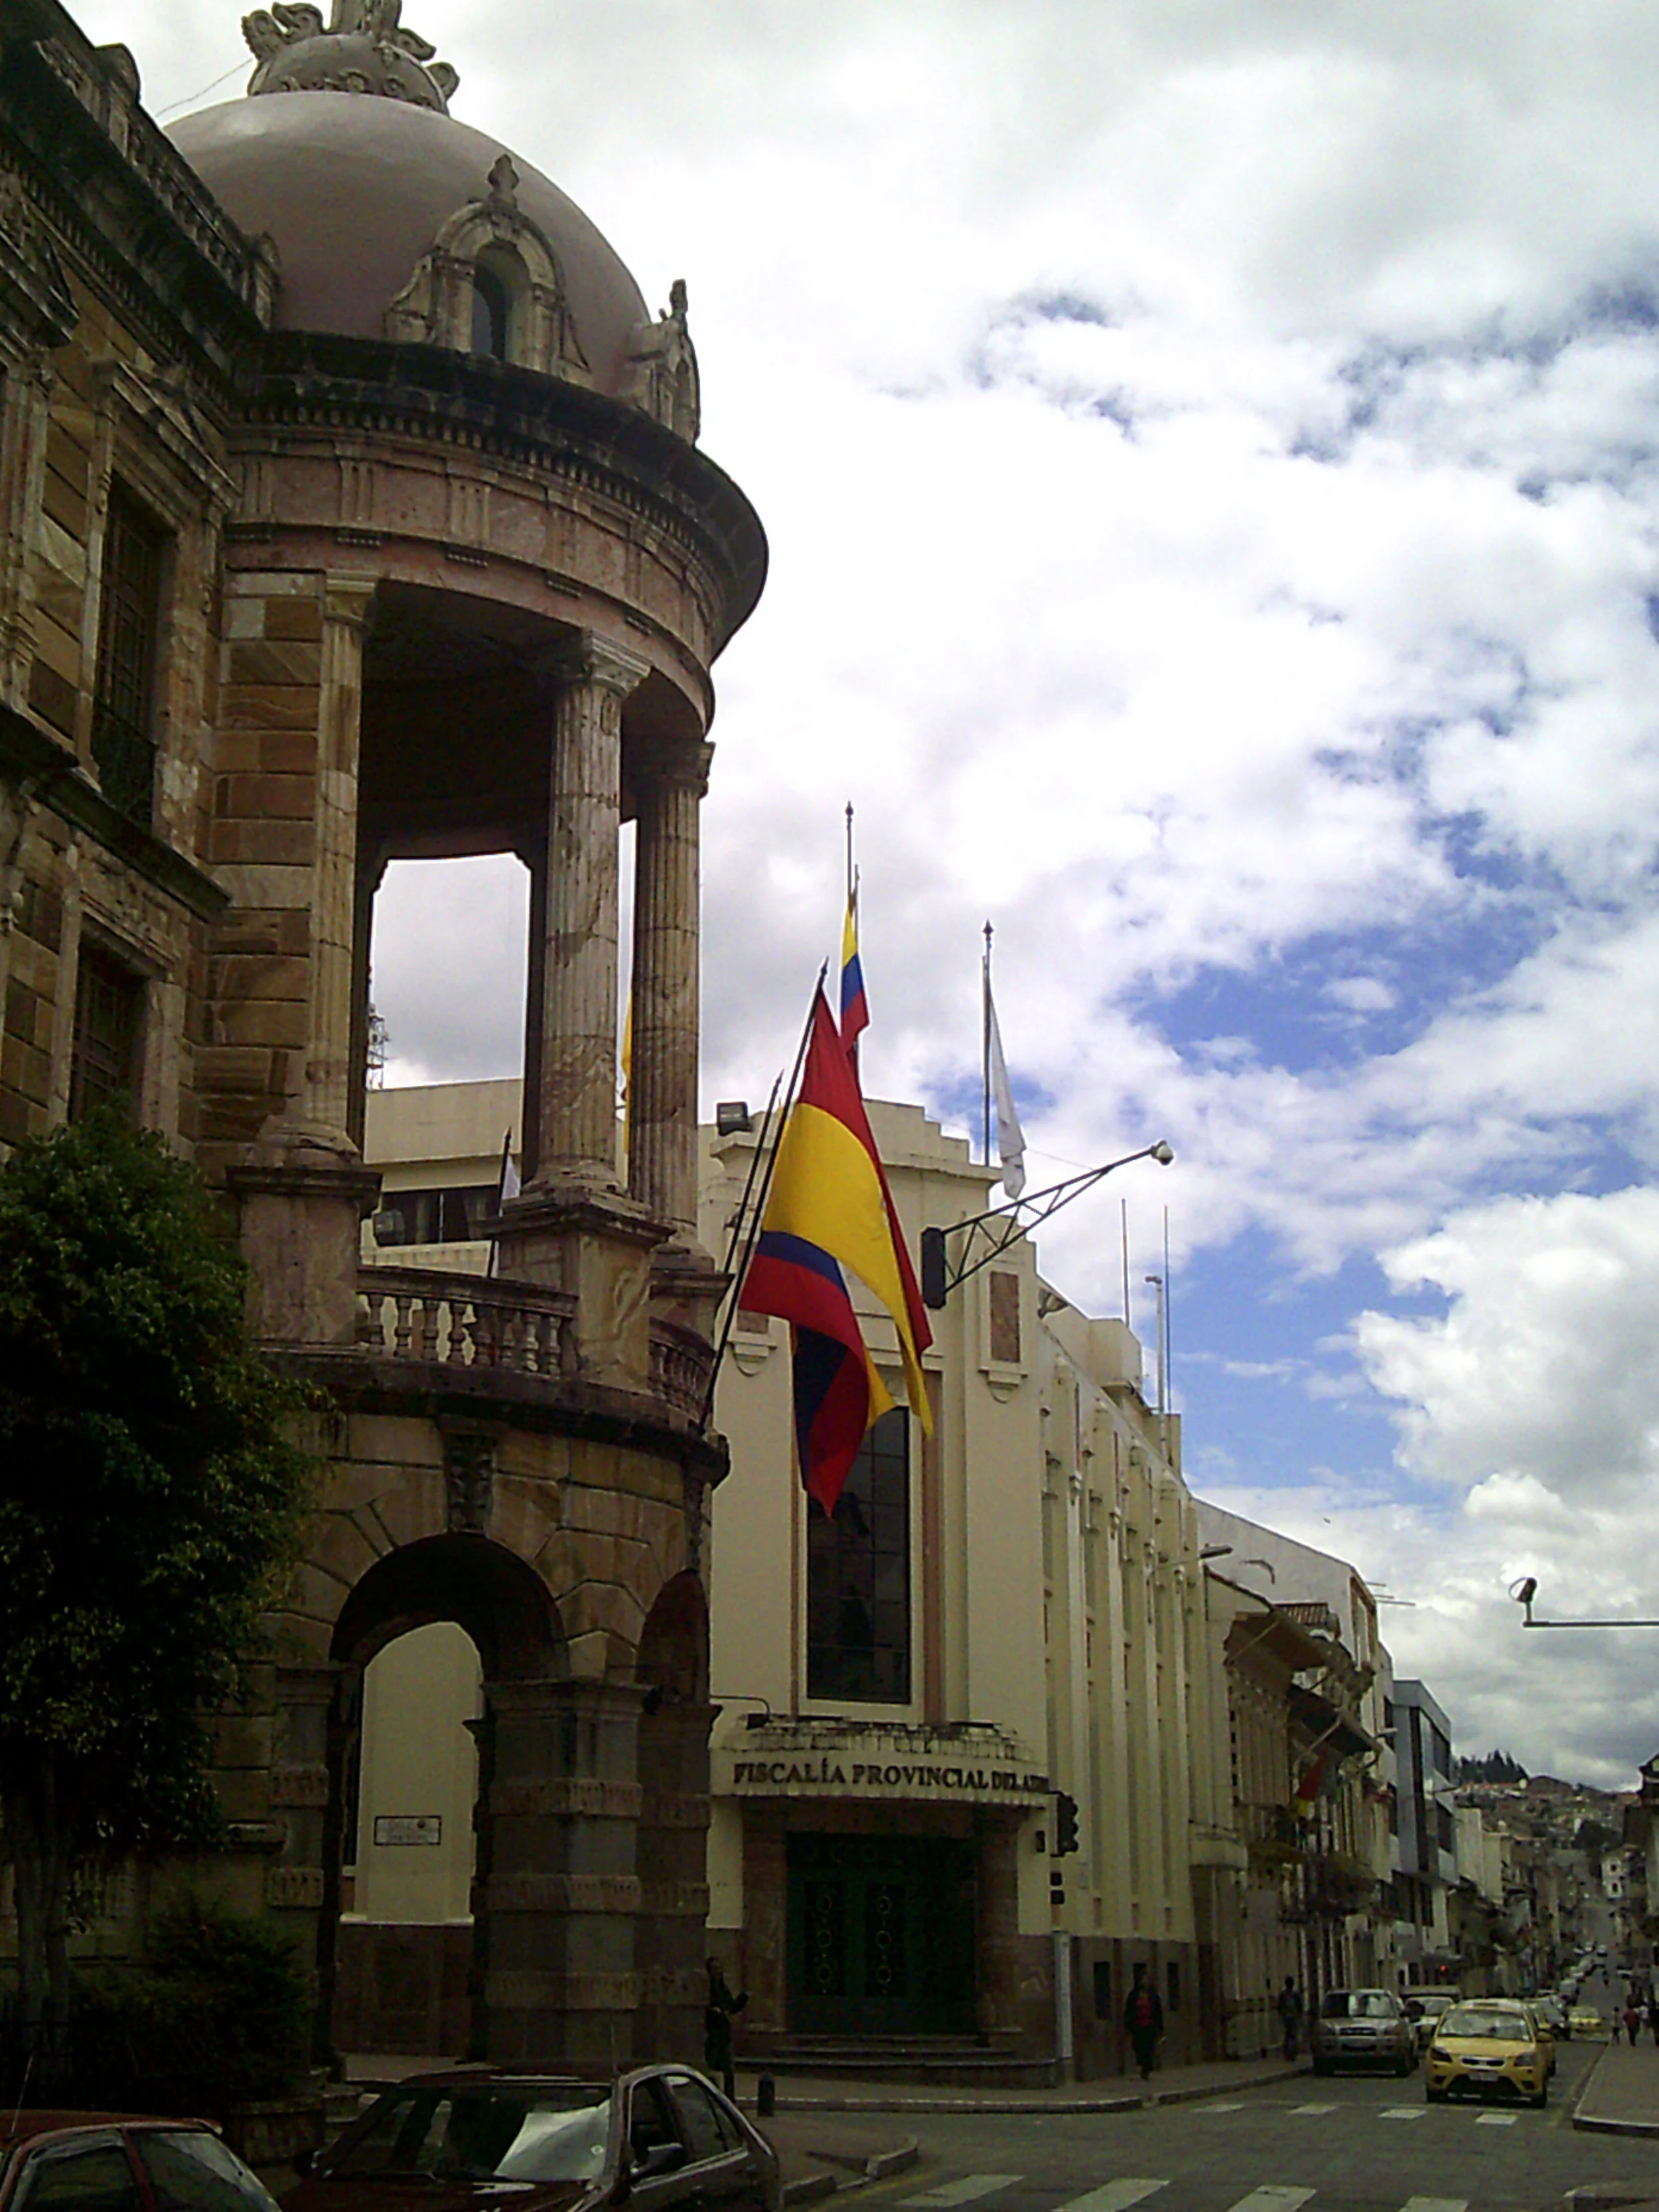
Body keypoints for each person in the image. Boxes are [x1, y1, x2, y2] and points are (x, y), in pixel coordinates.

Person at [703, 1957, 749, 2101]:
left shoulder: (722, 1988)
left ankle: (729, 2098)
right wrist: (713, 2011)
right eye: (714, 1969)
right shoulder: (707, 1989)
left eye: (719, 1969)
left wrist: (742, 2000)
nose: (717, 1973)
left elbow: (730, 2008)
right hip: (711, 2033)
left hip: (723, 2033)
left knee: (729, 2069)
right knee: (710, 2067)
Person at [1123, 1964, 1164, 2082]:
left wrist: (1160, 2028)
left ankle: (1146, 2069)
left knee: (1149, 2047)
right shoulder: (1134, 1995)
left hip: (1149, 2025)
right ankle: (1141, 2065)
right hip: (1138, 2025)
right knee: (1139, 2047)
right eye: (1143, 1980)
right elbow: (1129, 2011)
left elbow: (1158, 2010)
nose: (1145, 1982)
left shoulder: (1152, 1994)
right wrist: (1128, 2026)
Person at [1276, 1976, 1304, 2063]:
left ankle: (1289, 2054)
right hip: (1293, 2018)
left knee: (1288, 2036)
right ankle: (1291, 2054)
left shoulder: (1284, 1995)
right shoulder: (1295, 1995)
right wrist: (1299, 2016)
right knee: (1292, 2036)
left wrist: (1282, 2015)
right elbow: (1300, 2007)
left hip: (1288, 2018)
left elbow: (1279, 2007)